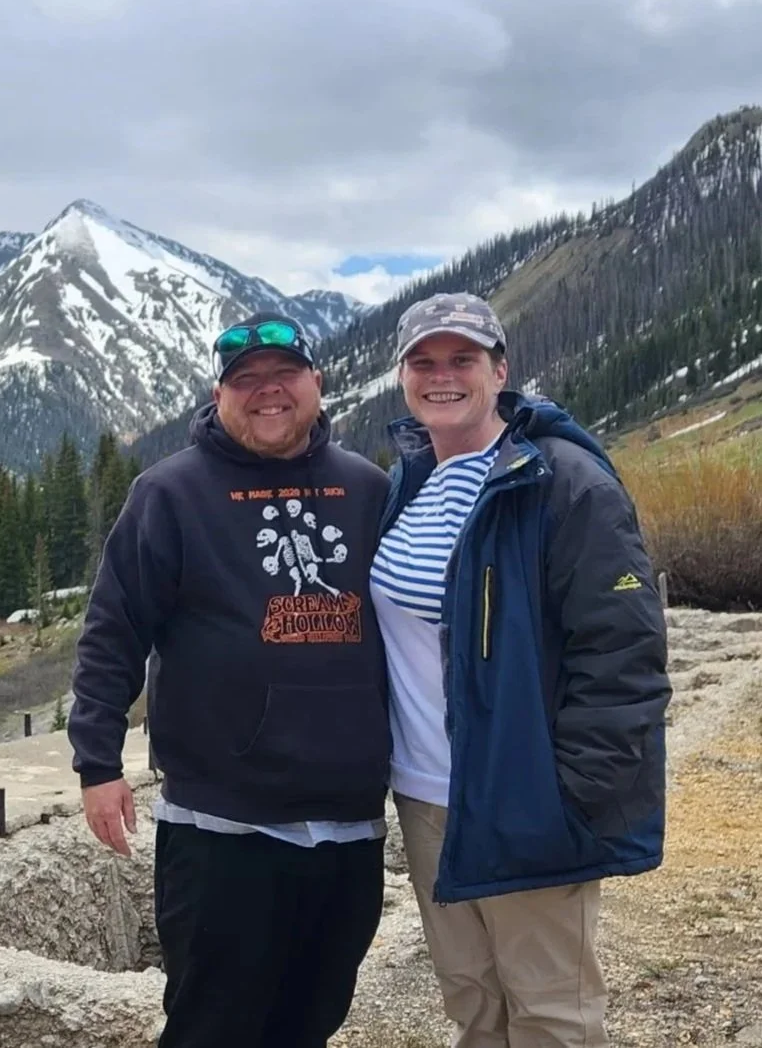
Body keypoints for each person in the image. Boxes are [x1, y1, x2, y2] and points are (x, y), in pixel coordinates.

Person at [68, 311, 393, 1048]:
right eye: (246, 380)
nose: (267, 393)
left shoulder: (367, 490)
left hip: (349, 823)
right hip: (223, 830)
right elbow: (114, 631)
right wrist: (97, 762)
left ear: (316, 382)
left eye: (283, 376)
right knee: (212, 1026)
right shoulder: (170, 494)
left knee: (312, 1021)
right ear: (219, 395)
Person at [370, 292, 670, 1046]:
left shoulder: (562, 482)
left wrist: (572, 797)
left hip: (525, 797)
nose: (442, 376)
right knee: (474, 1004)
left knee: (552, 1016)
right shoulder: (410, 484)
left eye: (462, 359)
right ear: (402, 377)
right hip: (426, 798)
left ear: (500, 370)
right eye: (423, 362)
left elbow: (623, 655)